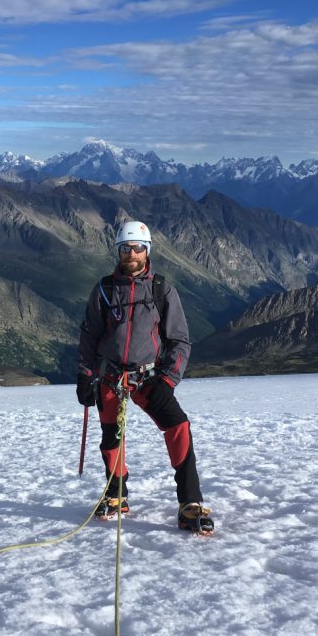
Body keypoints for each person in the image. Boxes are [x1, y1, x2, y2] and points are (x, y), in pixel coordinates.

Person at [76, 221, 213, 534]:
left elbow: (179, 340)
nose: (131, 254)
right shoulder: (104, 290)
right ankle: (116, 494)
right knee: (111, 437)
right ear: (118, 251)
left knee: (178, 427)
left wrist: (168, 380)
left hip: (149, 378)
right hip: (110, 377)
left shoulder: (162, 290)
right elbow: (89, 336)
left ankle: (190, 502)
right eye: (125, 248)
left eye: (138, 248)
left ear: (147, 250)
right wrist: (85, 374)